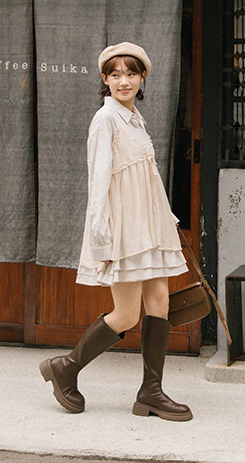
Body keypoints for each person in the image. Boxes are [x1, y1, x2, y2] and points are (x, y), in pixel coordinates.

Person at [40, 42, 192, 421]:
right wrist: (100, 233)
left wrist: (166, 218)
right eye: (116, 74)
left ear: (142, 78)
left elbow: (145, 178)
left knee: (160, 302)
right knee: (126, 315)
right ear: (105, 80)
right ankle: (67, 367)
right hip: (124, 229)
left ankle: (151, 392)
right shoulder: (105, 119)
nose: (124, 81)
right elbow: (99, 179)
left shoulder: (135, 119)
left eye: (131, 73)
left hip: (149, 227)